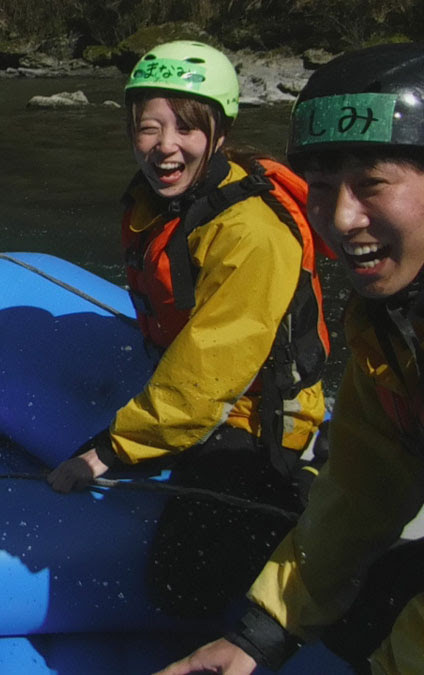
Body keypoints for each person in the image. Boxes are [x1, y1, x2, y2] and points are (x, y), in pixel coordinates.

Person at [160, 43, 424, 675]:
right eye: (325, 188)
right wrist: (259, 638)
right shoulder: (389, 327)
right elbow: (363, 488)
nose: (341, 219)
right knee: (370, 597)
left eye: (371, 185)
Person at [47, 40, 331, 618]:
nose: (165, 147)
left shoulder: (250, 230)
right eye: (150, 127)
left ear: (219, 134)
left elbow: (213, 363)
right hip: (191, 389)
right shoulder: (157, 201)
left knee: (181, 585)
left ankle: (304, 484)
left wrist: (111, 449)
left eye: (187, 128)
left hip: (258, 419)